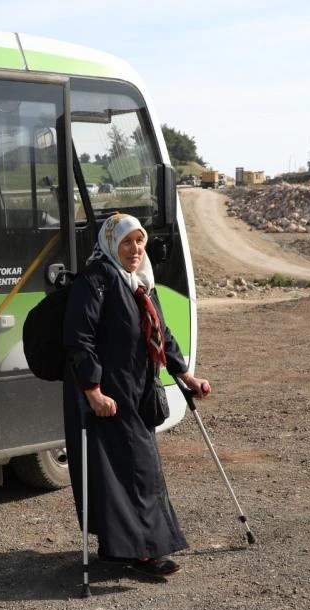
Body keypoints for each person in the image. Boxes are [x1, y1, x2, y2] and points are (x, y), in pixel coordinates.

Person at [62, 213, 211, 579]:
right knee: (133, 472)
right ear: (112, 244)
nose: (135, 249)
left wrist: (185, 374)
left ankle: (119, 548)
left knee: (128, 471)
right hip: (107, 396)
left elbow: (161, 332)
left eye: (140, 241)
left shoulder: (141, 282)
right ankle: (146, 552)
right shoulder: (96, 279)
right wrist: (93, 390)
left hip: (136, 391)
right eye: (127, 242)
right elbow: (78, 339)